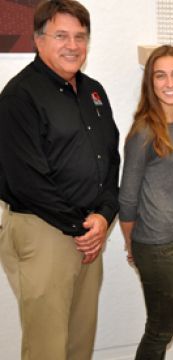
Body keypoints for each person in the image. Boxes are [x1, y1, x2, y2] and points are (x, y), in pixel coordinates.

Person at [0, 1, 120, 359]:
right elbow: (26, 181)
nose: (73, 45)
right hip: (44, 233)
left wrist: (104, 215)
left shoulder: (93, 91)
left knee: (79, 345)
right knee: (47, 349)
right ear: (39, 41)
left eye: (80, 37)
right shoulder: (19, 96)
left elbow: (111, 160)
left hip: (88, 233)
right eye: (61, 36)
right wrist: (82, 227)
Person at [118, 45, 173, 359]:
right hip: (156, 243)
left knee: (165, 327)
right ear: (150, 83)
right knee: (160, 330)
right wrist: (131, 242)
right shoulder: (144, 131)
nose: (169, 82)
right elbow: (127, 196)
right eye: (160, 75)